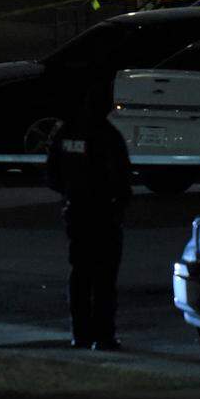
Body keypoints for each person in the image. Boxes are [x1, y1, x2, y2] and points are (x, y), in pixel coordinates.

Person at [47, 84, 133, 351]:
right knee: (104, 279)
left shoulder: (66, 132)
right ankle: (103, 336)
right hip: (102, 214)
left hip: (76, 212)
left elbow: (52, 174)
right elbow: (121, 177)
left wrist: (71, 193)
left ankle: (80, 334)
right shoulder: (107, 135)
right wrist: (118, 203)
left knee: (81, 276)